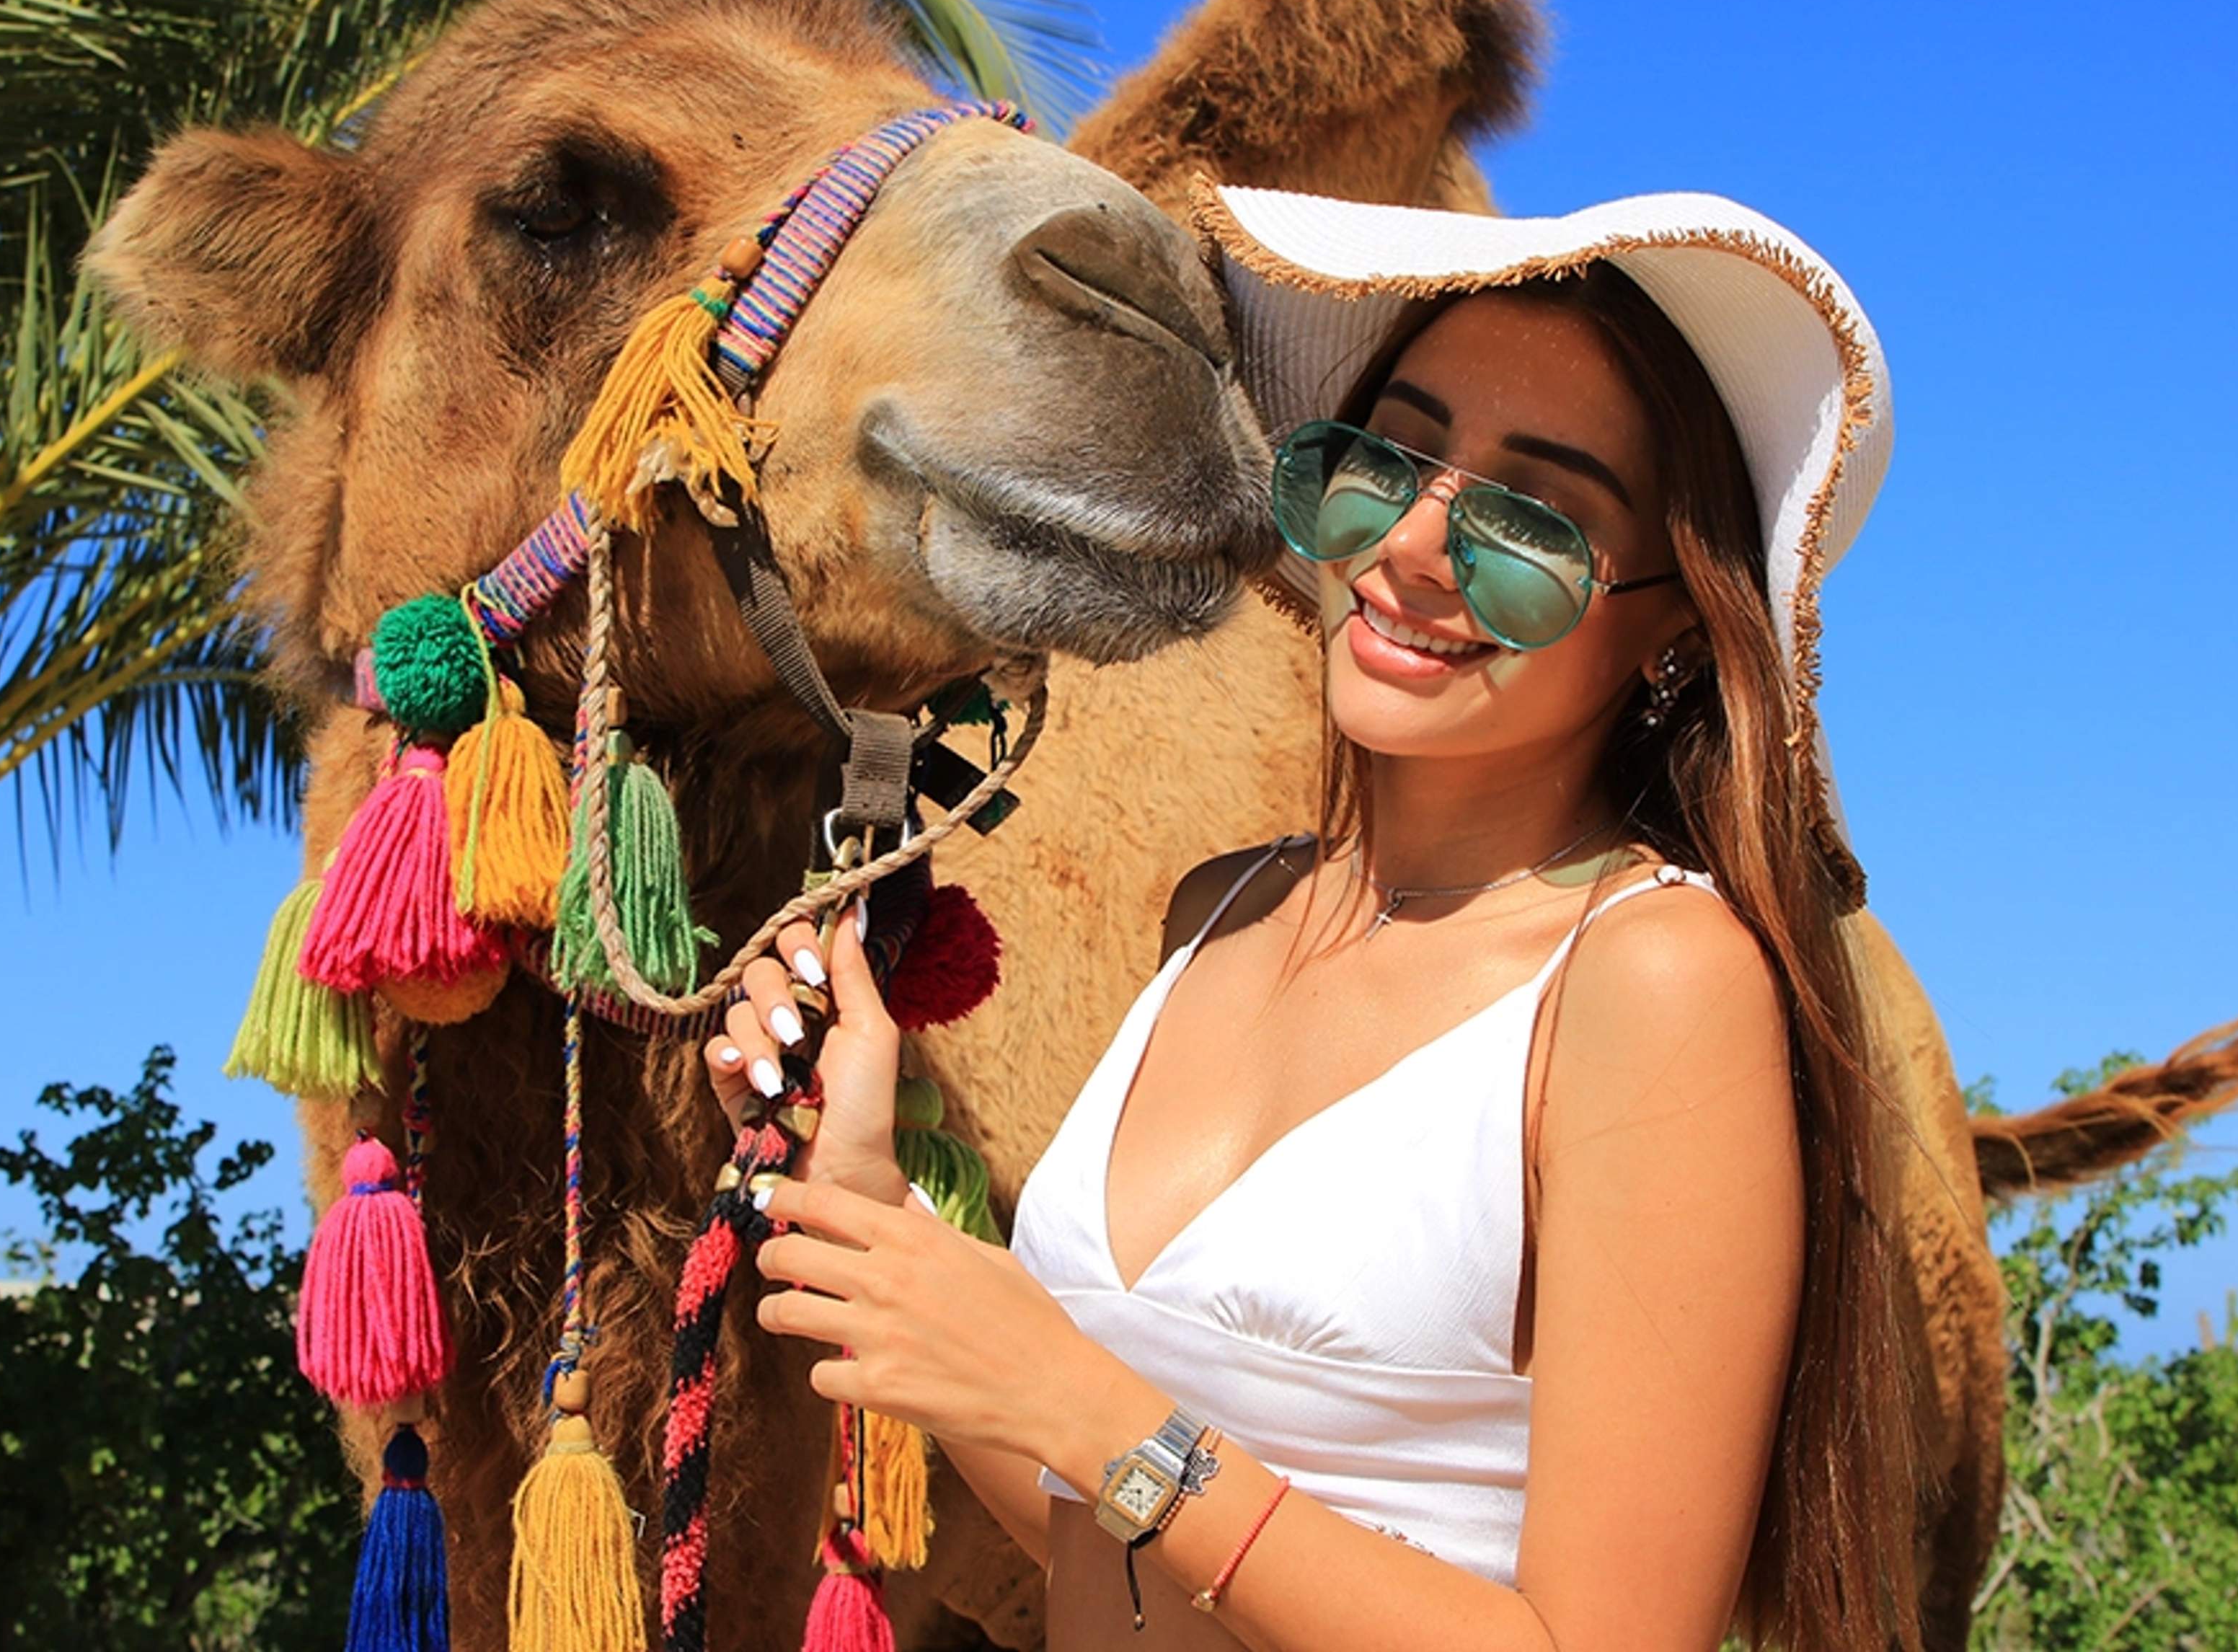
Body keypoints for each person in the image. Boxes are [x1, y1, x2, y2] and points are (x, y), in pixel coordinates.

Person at [703, 187, 1926, 1651]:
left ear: (1669, 622)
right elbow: (1110, 1545)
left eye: (1530, 520)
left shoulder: (1650, 974)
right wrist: (878, 1208)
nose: (1412, 545)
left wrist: (1090, 1405)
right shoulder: (1221, 911)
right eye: (1387, 458)